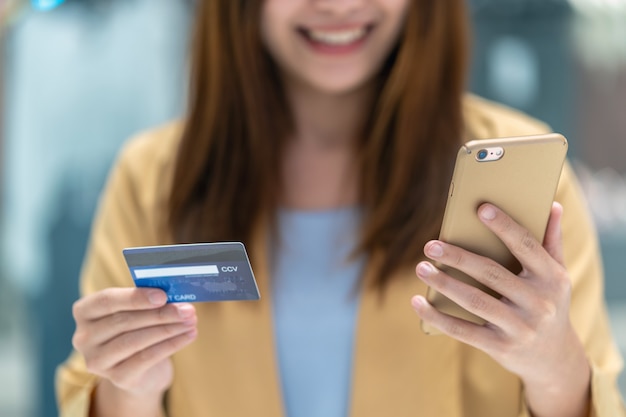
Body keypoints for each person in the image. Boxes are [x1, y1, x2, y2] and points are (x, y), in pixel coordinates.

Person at [56, 1, 626, 416]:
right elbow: (105, 394)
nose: (337, 6)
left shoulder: (528, 176)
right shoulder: (152, 176)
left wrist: (556, 370)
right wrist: (131, 387)